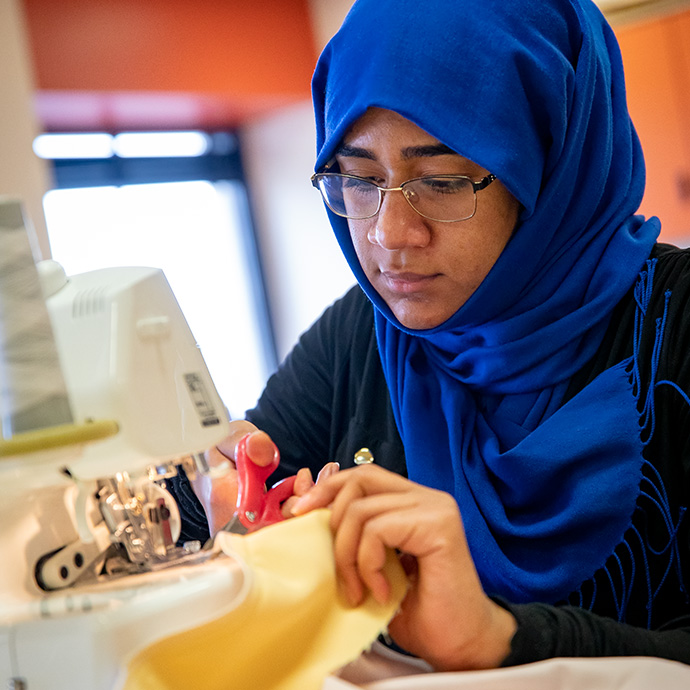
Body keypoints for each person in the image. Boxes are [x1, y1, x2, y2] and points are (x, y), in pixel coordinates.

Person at [169, 0, 690, 672]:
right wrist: (208, 493)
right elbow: (235, 487)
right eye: (358, 179)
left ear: (554, 166)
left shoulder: (675, 325)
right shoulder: (360, 336)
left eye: (442, 182)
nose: (388, 236)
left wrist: (498, 638)